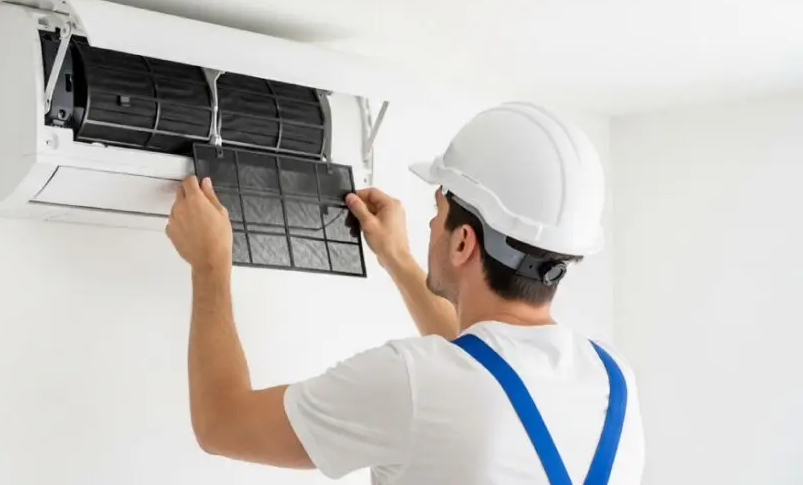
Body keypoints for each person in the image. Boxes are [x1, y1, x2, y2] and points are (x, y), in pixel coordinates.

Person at [165, 102, 645, 484]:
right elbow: (482, 370)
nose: (431, 222)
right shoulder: (611, 380)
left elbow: (222, 423)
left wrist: (210, 266)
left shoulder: (411, 381)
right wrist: (398, 258)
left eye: (437, 209)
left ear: (463, 242)